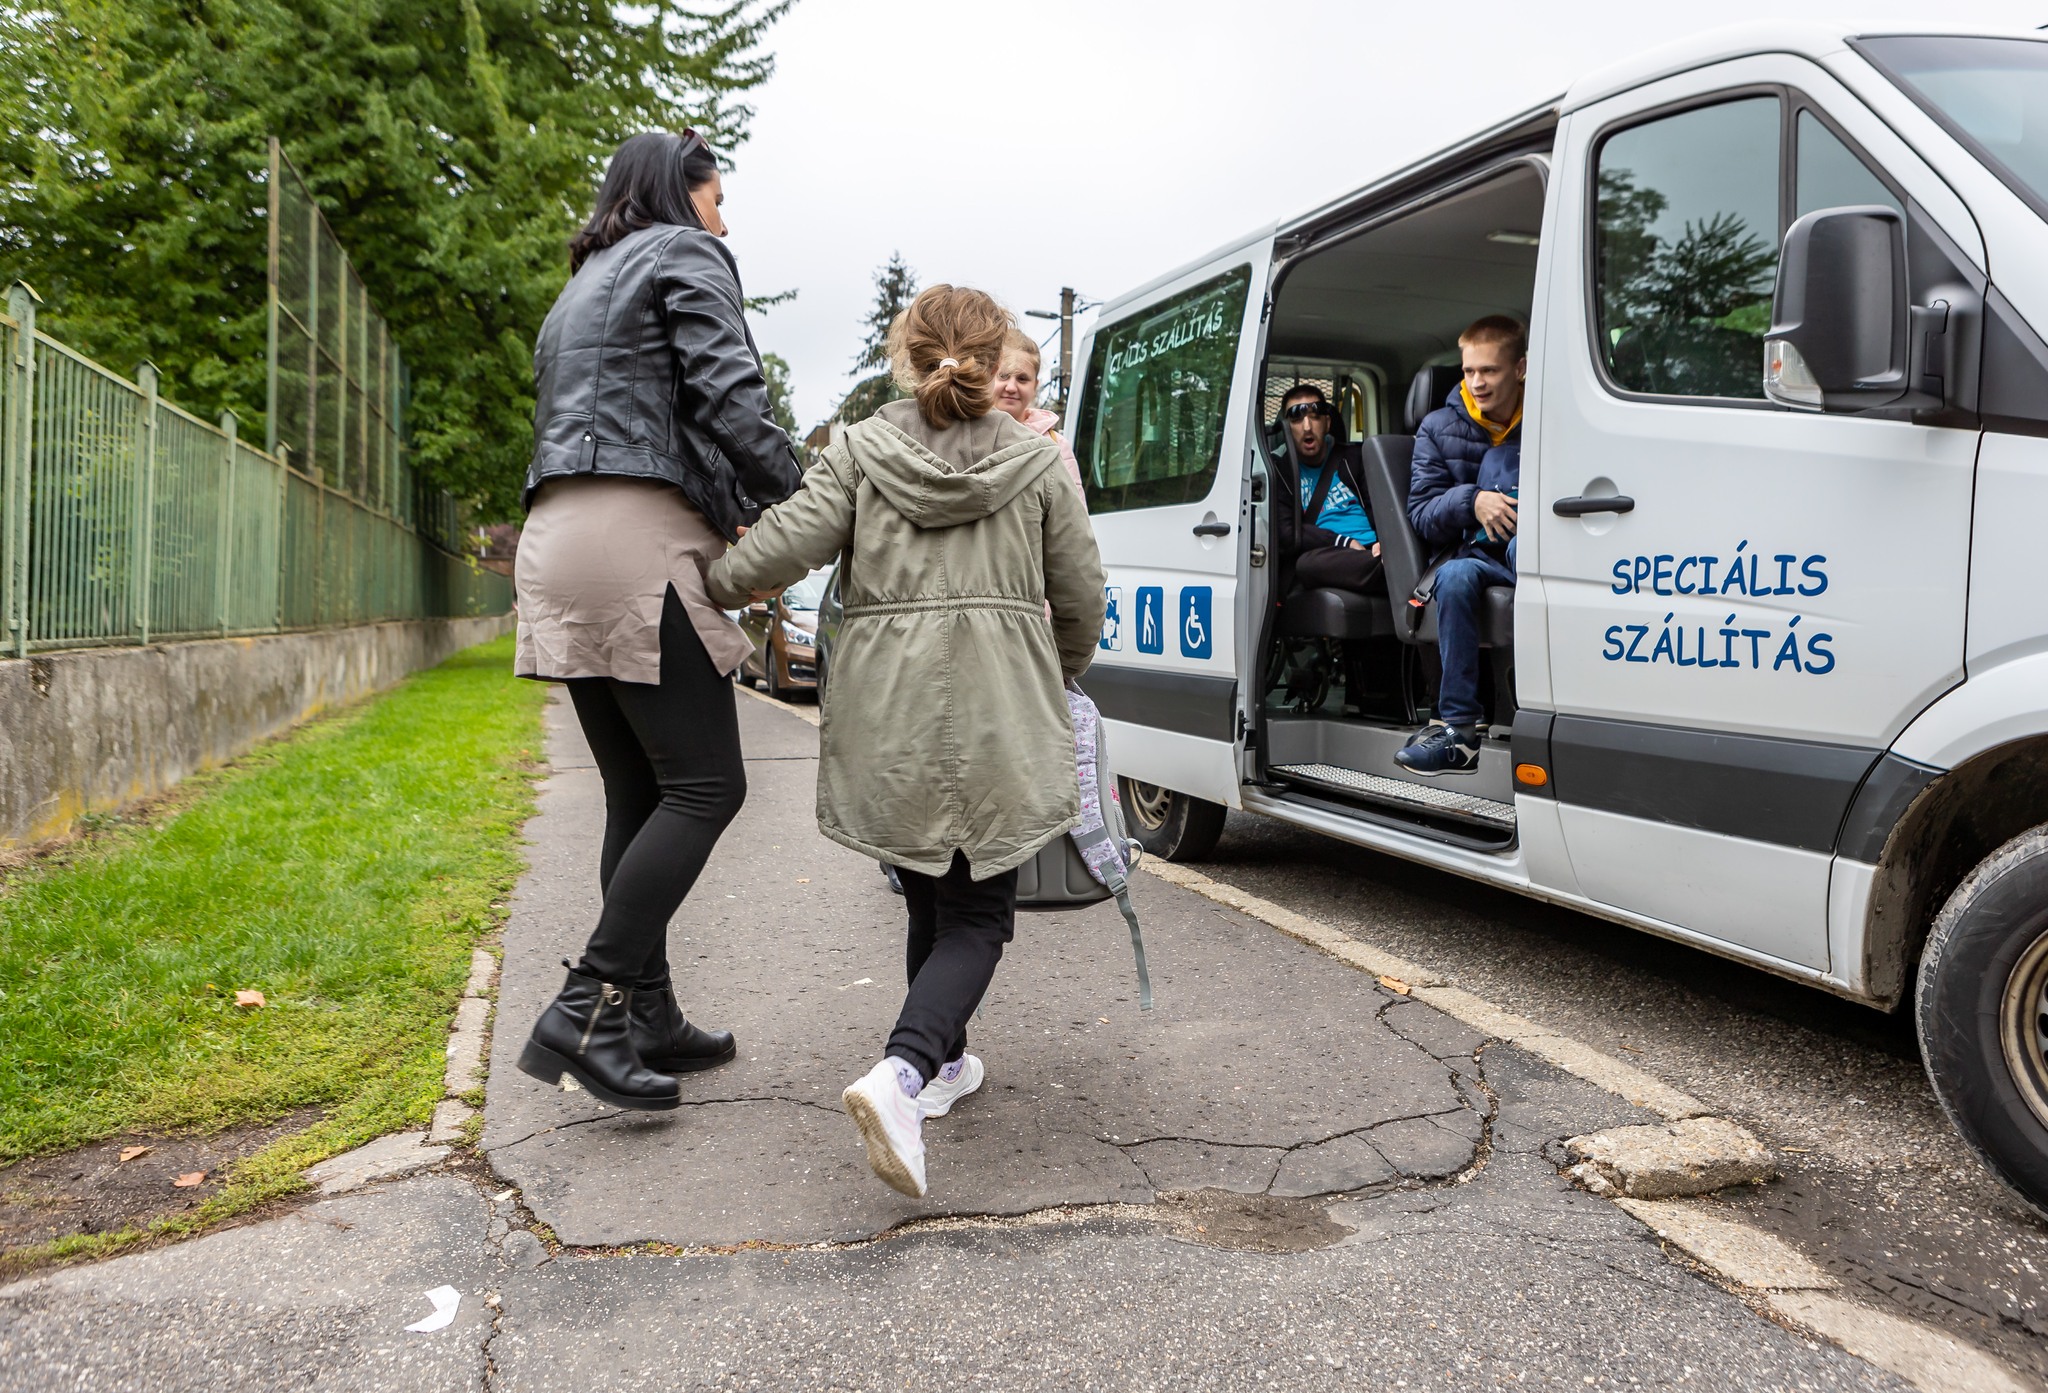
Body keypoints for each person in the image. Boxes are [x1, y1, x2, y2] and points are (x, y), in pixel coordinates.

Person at [706, 285, 1105, 1198]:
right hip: (1002, 709)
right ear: (987, 359)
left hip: (890, 715)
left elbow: (777, 554)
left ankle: (944, 1067)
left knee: (931, 888)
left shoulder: (859, 453)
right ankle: (905, 1070)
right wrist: (1061, 668)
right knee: (978, 915)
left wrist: (708, 576)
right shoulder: (1036, 464)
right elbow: (1082, 595)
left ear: (908, 357)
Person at [512, 130, 803, 1109]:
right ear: (681, 195)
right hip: (633, 535)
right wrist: (805, 499)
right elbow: (728, 399)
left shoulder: (578, 286)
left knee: (639, 790)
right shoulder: (685, 252)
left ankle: (649, 1015)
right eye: (718, 197)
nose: (725, 219)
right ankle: (584, 1009)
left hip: (556, 537)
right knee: (708, 786)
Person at [1395, 316, 1526, 776]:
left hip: (1538, 548)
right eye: (1469, 371)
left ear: (1521, 369)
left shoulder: (1551, 416)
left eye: (1488, 371)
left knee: (1529, 549)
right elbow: (1423, 516)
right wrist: (1473, 501)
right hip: (1473, 556)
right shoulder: (1437, 427)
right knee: (1454, 578)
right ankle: (1458, 732)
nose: (1476, 382)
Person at [1270, 383, 1380, 596]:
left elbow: (1381, 508)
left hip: (1372, 550)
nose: (1307, 427)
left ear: (1327, 423)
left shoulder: (1355, 457)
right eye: (1296, 419)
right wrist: (1343, 542)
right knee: (1307, 566)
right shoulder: (1278, 471)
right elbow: (1286, 532)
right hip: (1328, 554)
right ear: (1286, 428)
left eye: (1315, 416)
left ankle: (1389, 564)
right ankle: (1392, 570)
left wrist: (1385, 543)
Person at [990, 328, 1084, 491]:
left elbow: (1075, 514)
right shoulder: (967, 435)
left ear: (1035, 386)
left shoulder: (1056, 445)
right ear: (988, 377)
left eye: (1022, 379)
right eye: (1003, 376)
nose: (1011, 387)